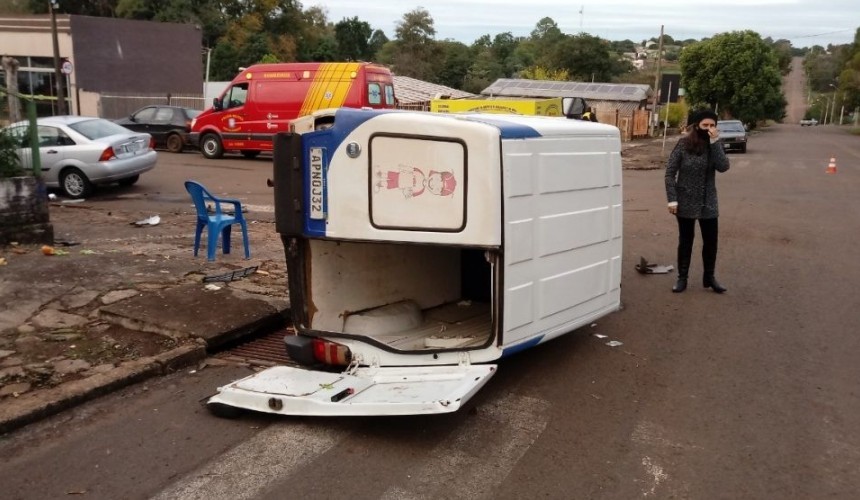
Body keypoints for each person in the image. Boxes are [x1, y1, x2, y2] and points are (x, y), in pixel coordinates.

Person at [664, 109, 730, 293]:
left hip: (708, 200)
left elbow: (723, 167)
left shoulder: (715, 144)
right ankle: (682, 278)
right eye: (705, 125)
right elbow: (670, 173)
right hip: (685, 199)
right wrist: (672, 200)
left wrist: (715, 142)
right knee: (686, 240)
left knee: (711, 241)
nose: (709, 129)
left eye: (712, 125)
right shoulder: (683, 144)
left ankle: (709, 277)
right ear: (697, 126)